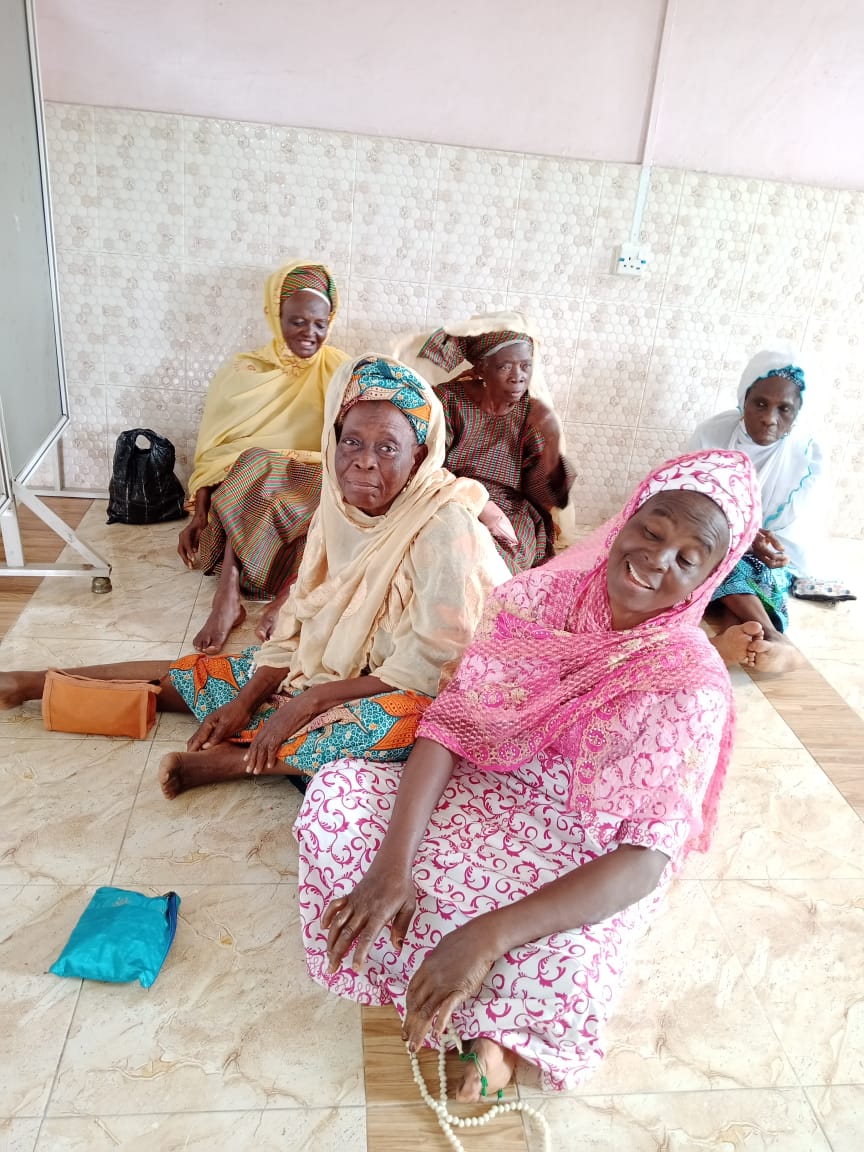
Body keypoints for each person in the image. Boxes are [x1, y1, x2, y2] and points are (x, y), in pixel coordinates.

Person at [296, 449, 760, 1100]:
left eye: (688, 558)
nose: (657, 560)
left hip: (588, 852)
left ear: (709, 580)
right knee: (335, 801)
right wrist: (392, 867)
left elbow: (642, 861)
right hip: (485, 793)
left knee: (575, 966)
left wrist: (486, 936)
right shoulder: (533, 600)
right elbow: (452, 724)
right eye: (652, 531)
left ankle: (495, 1029)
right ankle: (478, 1002)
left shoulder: (691, 683)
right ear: (626, 518)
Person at [0, 357, 509, 799]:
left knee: (406, 725)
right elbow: (298, 626)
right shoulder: (339, 511)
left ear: (419, 456)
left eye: (387, 448)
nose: (363, 462)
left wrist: (307, 702)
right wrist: (248, 702)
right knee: (212, 677)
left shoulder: (445, 527)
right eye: (352, 441)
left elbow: (429, 671)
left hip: (419, 687)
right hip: (338, 669)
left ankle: (236, 762)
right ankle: (36, 683)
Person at [178, 260, 349, 655]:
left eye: (320, 324)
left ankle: (288, 594)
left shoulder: (341, 370)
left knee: (331, 493)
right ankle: (228, 594)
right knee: (255, 463)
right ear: (275, 316)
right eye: (297, 322)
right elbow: (215, 453)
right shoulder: (243, 371)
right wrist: (199, 515)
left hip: (309, 491)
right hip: (248, 491)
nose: (310, 334)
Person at [392, 313, 576, 571]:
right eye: (505, 367)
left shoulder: (531, 414)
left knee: (497, 558)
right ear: (481, 368)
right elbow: (425, 467)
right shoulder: (447, 401)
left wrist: (552, 440)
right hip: (448, 499)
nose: (518, 377)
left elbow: (547, 496)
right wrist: (476, 503)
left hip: (511, 509)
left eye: (525, 366)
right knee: (439, 551)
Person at [690, 342, 825, 673]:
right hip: (715, 540)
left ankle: (733, 639)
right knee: (716, 559)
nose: (768, 419)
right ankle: (774, 637)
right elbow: (690, 505)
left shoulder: (806, 456)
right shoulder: (712, 435)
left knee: (758, 569)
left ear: (798, 412)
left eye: (784, 409)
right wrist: (742, 538)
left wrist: (771, 549)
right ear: (743, 400)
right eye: (760, 403)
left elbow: (795, 531)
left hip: (766, 556)